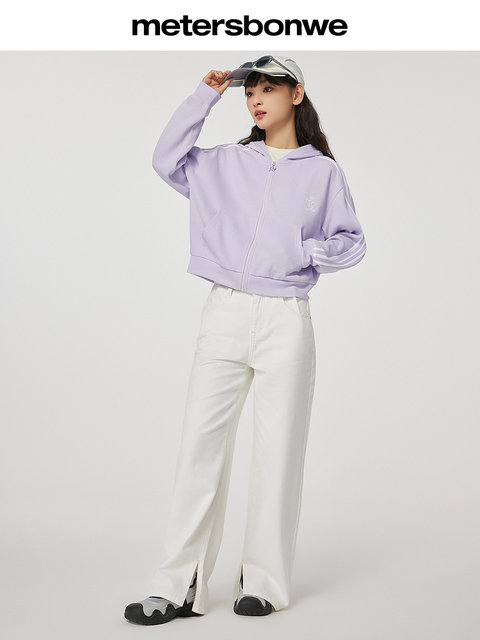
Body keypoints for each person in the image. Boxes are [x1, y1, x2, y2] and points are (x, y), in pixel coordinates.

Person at [124, 55, 367, 625]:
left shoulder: (322, 172)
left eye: (267, 89)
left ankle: (263, 582)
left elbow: (351, 240)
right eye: (249, 91)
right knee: (199, 448)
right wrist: (204, 96)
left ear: (296, 94)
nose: (255, 99)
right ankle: (178, 585)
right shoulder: (224, 163)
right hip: (225, 313)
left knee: (279, 453)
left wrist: (302, 252)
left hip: (286, 318)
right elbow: (165, 160)